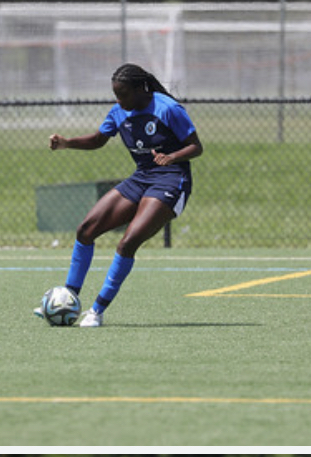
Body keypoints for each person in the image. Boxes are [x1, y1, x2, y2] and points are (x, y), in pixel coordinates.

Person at [36, 63, 203, 327]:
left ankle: (97, 311)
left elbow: (196, 147)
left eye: (123, 94)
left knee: (127, 243)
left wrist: (171, 157)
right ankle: (68, 299)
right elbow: (97, 140)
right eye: (116, 94)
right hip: (141, 178)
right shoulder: (119, 111)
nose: (118, 100)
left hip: (171, 180)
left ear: (139, 89)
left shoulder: (168, 108)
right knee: (86, 230)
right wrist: (67, 143)